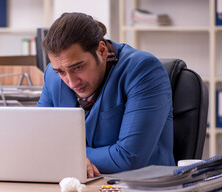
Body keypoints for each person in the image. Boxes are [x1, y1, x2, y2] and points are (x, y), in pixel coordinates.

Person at [37, 12, 175, 177]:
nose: (71, 82)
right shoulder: (52, 76)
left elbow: (129, 157)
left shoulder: (143, 70)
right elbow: (39, 142)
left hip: (142, 189)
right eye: (61, 71)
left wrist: (72, 157)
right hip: (80, 185)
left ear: (101, 51)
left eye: (78, 67)